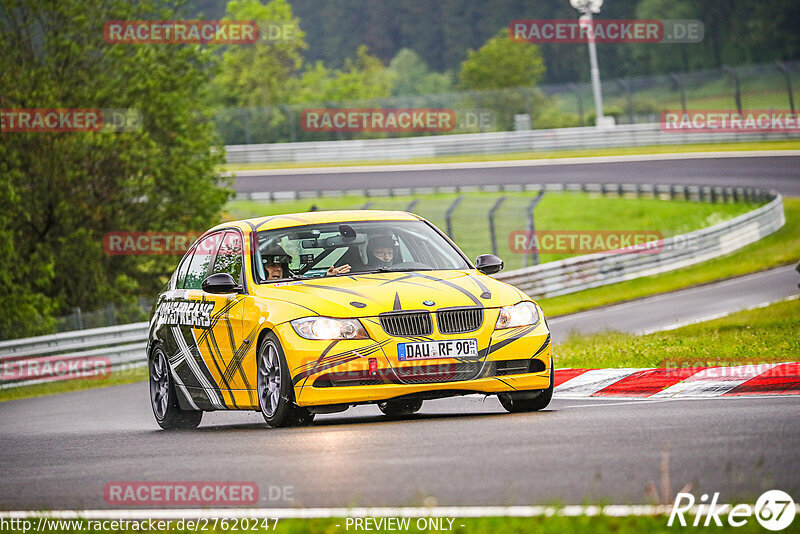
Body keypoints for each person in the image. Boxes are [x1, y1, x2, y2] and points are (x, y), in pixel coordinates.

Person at [262, 243, 350, 280]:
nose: (278, 268)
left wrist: (327, 277)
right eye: (271, 265)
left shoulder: (291, 288)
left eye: (281, 265)